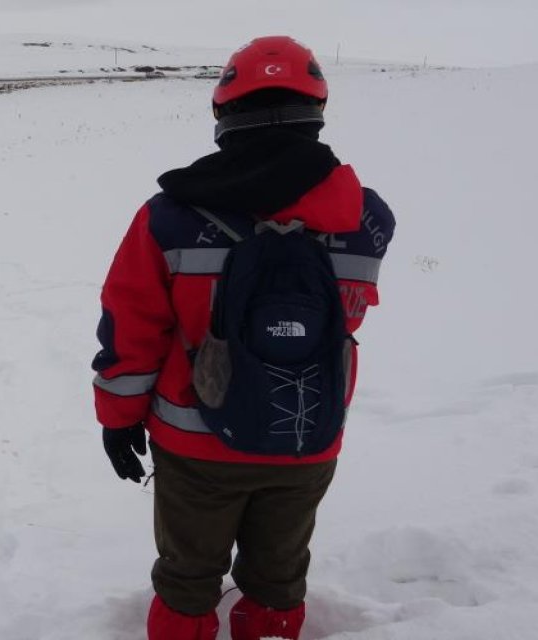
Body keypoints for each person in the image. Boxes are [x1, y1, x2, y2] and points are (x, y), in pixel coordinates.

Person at [91, 37, 395, 640]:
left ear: (223, 115)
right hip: (306, 435)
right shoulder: (368, 217)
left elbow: (132, 327)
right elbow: (348, 318)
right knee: (279, 578)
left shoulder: (168, 216)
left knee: (188, 579)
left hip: (195, 445)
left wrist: (118, 417)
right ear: (317, 111)